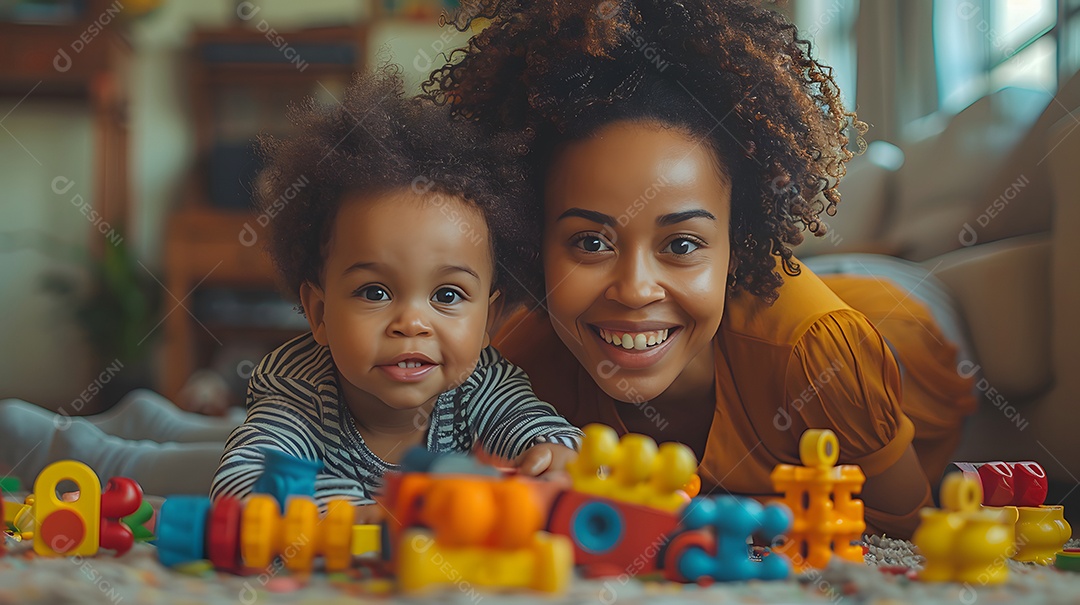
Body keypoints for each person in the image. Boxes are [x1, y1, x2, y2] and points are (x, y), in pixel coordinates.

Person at [426, 0, 977, 538]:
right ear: (532, 242)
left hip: (881, 319)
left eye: (683, 243)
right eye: (591, 242)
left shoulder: (821, 359)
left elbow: (902, 529)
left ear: (736, 245)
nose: (635, 289)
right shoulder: (523, 368)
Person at [0, 68, 583, 510]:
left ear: (490, 319)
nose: (413, 322)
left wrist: (556, 454)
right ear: (319, 311)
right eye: (376, 292)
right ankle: (28, 431)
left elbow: (534, 427)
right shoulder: (300, 387)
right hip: (282, 452)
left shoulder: (482, 382)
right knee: (134, 465)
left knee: (201, 434)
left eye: (449, 296)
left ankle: (151, 414)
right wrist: (378, 511)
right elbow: (243, 482)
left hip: (279, 446)